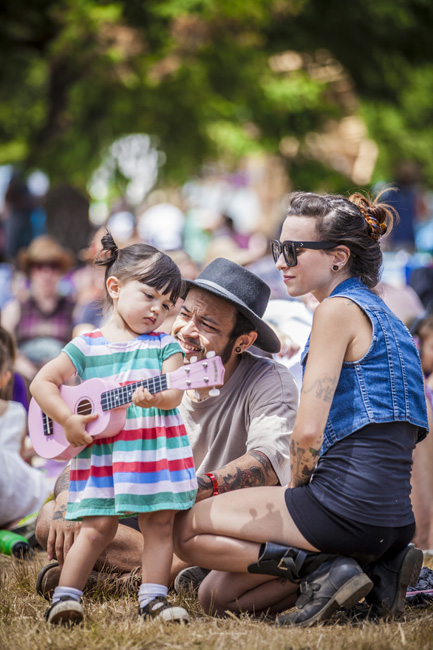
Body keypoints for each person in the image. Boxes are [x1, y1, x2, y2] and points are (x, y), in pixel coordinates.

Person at [173, 190, 429, 627]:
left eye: (292, 250)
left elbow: (307, 433)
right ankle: (371, 569)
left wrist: (300, 492)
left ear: (338, 257)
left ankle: (321, 569)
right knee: (215, 595)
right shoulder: (393, 322)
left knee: (186, 529)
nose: (280, 262)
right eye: (277, 248)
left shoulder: (336, 310)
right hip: (393, 518)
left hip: (343, 507)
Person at [34, 258, 298, 602]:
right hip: (139, 505)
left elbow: (266, 463)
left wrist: (188, 488)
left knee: (184, 528)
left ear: (243, 342)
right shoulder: (150, 362)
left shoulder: (270, 381)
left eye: (207, 325)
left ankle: (133, 578)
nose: (186, 330)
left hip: (209, 515)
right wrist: (68, 496)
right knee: (49, 518)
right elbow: (88, 451)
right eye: (185, 314)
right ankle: (171, 572)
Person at [29, 232, 197, 626]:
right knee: (96, 527)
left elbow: (174, 390)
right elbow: (42, 383)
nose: (158, 309)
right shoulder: (86, 345)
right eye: (150, 295)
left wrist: (158, 398)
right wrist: (68, 419)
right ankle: (66, 597)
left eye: (168, 304)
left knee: (159, 524)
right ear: (115, 287)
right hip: (103, 453)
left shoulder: (164, 346)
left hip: (152, 450)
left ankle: (153, 600)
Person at [1, 235, 76, 381]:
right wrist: (21, 364)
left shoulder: (73, 308)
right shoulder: (15, 308)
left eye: (53, 266)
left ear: (60, 270)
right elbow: (3, 349)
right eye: (39, 266)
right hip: (23, 381)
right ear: (30, 270)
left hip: (61, 380)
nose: (46, 274)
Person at [0, 339, 50, 529]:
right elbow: (20, 455)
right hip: (12, 497)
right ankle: (19, 522)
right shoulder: (16, 411)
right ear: (5, 377)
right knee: (43, 485)